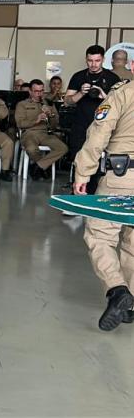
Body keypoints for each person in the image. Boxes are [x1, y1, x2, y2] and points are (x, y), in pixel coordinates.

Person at [73, 66, 134, 331]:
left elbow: (99, 133)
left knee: (99, 235)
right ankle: (130, 307)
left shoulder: (123, 92)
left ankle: (118, 290)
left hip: (122, 177)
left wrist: (82, 172)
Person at [65, 45, 120, 193]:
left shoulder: (112, 78)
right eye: (90, 61)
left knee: (99, 162)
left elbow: (118, 105)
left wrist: (104, 96)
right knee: (78, 160)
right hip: (80, 126)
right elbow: (67, 101)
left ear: (103, 59)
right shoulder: (78, 76)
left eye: (97, 60)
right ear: (86, 59)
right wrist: (81, 93)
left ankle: (93, 195)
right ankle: (77, 194)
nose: (93, 64)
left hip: (102, 127)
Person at [16, 79, 68, 180]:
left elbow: (54, 125)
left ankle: (38, 167)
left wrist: (51, 115)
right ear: (30, 91)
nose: (39, 94)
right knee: (31, 149)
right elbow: (20, 123)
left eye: (41, 91)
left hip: (45, 133)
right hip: (29, 133)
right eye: (36, 91)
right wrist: (36, 120)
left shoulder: (48, 103)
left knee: (63, 148)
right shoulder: (22, 104)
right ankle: (44, 168)